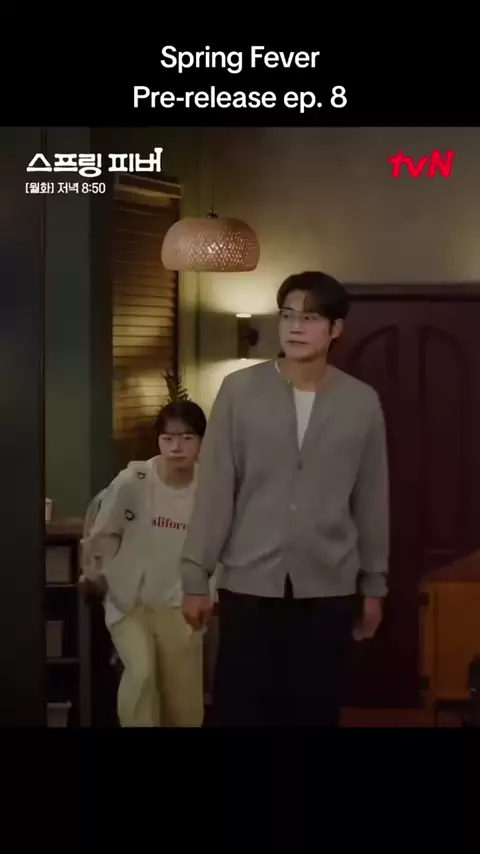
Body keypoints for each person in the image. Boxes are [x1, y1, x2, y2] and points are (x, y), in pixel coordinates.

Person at [180, 271, 389, 727]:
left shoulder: (361, 403)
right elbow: (216, 487)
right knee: (241, 708)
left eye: (310, 318)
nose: (295, 327)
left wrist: (374, 585)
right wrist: (196, 575)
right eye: (288, 315)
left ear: (335, 329)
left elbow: (371, 499)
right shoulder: (239, 391)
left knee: (313, 709)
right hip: (250, 582)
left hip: (328, 583)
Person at [81, 399, 209, 728]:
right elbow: (101, 532)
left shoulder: (209, 488)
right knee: (141, 673)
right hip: (129, 602)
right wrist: (98, 575)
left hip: (180, 603)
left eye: (187, 438)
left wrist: (210, 593)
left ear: (201, 442)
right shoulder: (134, 480)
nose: (176, 447)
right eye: (168, 438)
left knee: (183, 702)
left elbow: (216, 546)